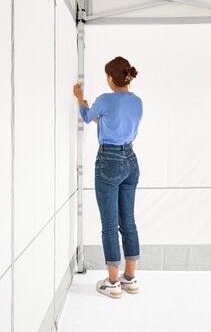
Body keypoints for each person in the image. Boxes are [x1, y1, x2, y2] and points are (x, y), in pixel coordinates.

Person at [73, 56, 143, 299]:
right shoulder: (138, 102)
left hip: (109, 161)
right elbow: (117, 121)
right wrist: (101, 117)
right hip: (131, 160)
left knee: (110, 224)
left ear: (111, 78)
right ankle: (130, 278)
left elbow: (87, 115)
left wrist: (80, 99)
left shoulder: (104, 99)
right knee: (129, 222)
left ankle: (112, 282)